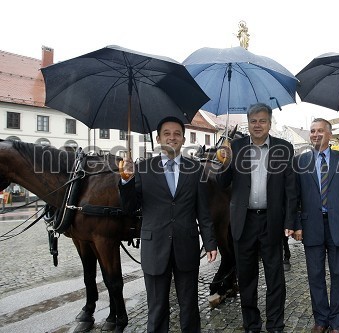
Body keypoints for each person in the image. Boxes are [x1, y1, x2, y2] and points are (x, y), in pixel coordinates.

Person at [119, 116, 218, 333]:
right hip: (155, 247)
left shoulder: (195, 169)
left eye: (176, 134)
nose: (172, 138)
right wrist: (126, 181)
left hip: (186, 246)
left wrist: (210, 242)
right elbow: (129, 208)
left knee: (189, 306)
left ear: (183, 139)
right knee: (157, 308)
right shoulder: (142, 168)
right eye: (167, 134)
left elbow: (203, 211)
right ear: (158, 138)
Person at [216, 103, 296, 333]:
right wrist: (224, 162)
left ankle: (275, 324)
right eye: (253, 121)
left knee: (275, 278)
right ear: (248, 124)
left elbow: (291, 189)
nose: (258, 125)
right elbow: (222, 184)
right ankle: (252, 324)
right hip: (244, 221)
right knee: (247, 278)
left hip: (272, 221)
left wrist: (290, 221)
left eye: (262, 121)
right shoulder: (236, 147)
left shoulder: (284, 148)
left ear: (270, 123)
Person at [294, 118, 339, 333]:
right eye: (312, 131)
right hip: (311, 226)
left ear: (329, 135)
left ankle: (337, 321)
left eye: (320, 131)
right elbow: (294, 197)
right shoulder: (301, 161)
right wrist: (296, 225)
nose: (315, 134)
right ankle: (321, 319)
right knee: (315, 275)